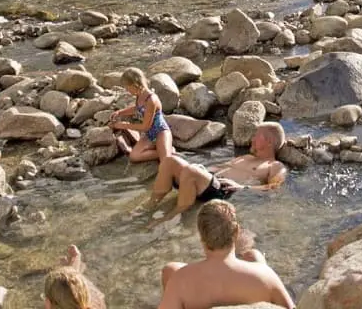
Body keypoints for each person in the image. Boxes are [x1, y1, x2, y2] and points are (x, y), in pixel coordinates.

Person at [159, 200, 295, 309]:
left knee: (171, 268)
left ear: (201, 235)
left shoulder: (180, 281)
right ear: (236, 232)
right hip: (252, 281)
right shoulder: (265, 276)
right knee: (254, 255)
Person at [146, 123, 288, 224]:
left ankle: (171, 218)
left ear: (269, 141)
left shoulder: (275, 166)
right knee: (170, 161)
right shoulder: (246, 157)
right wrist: (202, 168)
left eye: (257, 135)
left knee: (190, 171)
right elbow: (222, 166)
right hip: (208, 180)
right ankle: (149, 206)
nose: (252, 138)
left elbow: (274, 188)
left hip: (223, 190)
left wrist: (242, 187)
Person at [110, 68, 173, 163]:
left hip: (160, 132)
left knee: (165, 161)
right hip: (149, 135)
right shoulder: (140, 95)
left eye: (127, 87)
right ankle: (164, 151)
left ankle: (168, 151)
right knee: (134, 156)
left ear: (135, 84)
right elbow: (137, 108)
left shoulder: (151, 99)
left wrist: (123, 125)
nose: (127, 90)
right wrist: (120, 112)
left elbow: (145, 127)